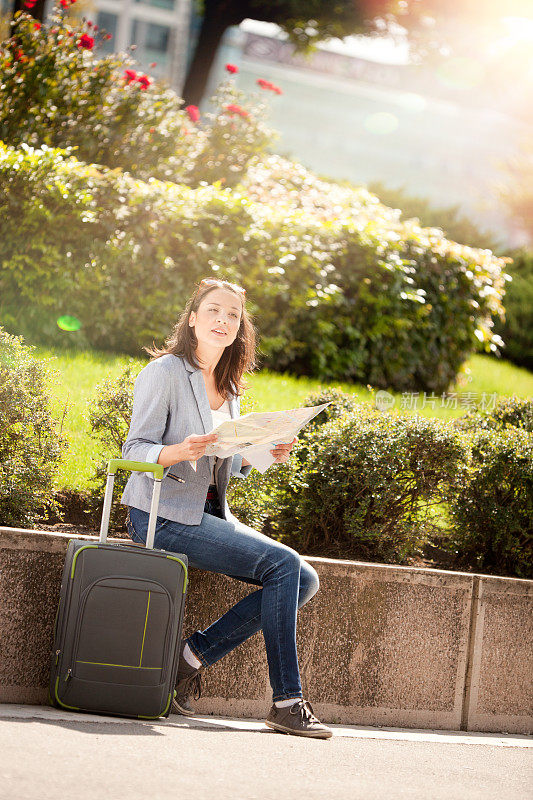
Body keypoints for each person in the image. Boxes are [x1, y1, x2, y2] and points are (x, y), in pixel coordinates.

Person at [121, 276, 332, 739]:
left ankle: (188, 657)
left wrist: (262, 454)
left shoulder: (231, 387)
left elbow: (227, 462)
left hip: (208, 514)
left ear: (240, 328)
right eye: (214, 310)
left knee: (304, 578)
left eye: (233, 315)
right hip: (161, 515)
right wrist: (181, 451)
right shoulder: (165, 372)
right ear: (193, 318)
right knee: (284, 565)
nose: (223, 320)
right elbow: (135, 449)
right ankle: (288, 701)